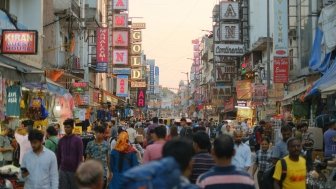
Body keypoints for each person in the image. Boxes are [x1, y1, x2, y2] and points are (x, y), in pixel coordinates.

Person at [57, 118, 84, 189]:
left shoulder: (78, 140)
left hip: (74, 170)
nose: (66, 129)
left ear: (72, 127)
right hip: (63, 170)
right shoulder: (61, 140)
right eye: (65, 127)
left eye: (68, 127)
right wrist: (57, 169)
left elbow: (80, 156)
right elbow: (58, 156)